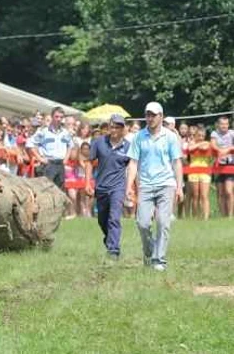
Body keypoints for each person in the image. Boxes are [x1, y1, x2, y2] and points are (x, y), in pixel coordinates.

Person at [126, 102, 183, 271]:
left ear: (161, 116)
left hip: (166, 184)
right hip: (145, 185)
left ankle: (159, 260)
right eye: (147, 115)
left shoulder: (170, 137)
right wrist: (129, 186)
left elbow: (177, 162)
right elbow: (133, 163)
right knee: (142, 223)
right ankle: (149, 249)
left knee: (163, 222)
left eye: (153, 115)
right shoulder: (139, 137)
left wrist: (179, 186)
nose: (150, 118)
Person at [85, 114, 130, 260]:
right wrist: (87, 183)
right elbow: (89, 163)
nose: (115, 129)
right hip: (101, 187)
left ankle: (113, 250)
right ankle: (109, 239)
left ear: (123, 129)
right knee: (102, 219)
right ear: (109, 127)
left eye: (118, 127)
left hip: (118, 187)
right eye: (113, 126)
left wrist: (132, 188)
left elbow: (133, 168)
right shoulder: (99, 142)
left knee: (114, 218)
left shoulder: (128, 146)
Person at [27, 107, 74, 189]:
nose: (59, 119)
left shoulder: (65, 132)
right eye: (56, 116)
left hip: (60, 164)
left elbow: (70, 145)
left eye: (61, 117)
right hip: (48, 164)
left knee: (60, 191)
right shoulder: (44, 131)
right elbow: (30, 144)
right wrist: (40, 158)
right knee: (47, 190)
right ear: (52, 117)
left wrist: (66, 158)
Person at [186, 126, 212, 220]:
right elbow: (190, 149)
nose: (201, 137)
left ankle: (205, 217)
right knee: (195, 195)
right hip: (193, 171)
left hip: (205, 171)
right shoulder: (192, 143)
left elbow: (206, 147)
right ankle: (196, 216)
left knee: (204, 195)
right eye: (199, 135)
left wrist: (200, 144)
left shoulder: (207, 143)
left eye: (203, 136)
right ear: (195, 135)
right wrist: (198, 145)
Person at [210, 116, 234, 218]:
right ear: (218, 125)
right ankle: (223, 215)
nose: (224, 126)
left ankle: (230, 215)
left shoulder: (232, 133)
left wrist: (228, 150)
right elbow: (213, 145)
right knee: (220, 193)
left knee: (228, 191)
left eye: (226, 124)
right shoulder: (214, 133)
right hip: (218, 165)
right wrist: (220, 150)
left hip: (230, 164)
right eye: (222, 124)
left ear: (228, 125)